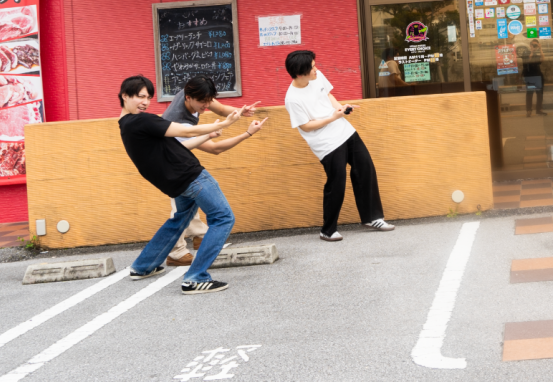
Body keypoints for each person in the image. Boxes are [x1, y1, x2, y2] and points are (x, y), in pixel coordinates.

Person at [117, 75, 252, 294]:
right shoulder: (143, 121)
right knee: (223, 218)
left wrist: (209, 133)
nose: (145, 102)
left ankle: (143, 266)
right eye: (140, 97)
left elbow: (180, 146)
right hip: (191, 175)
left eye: (148, 97)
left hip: (175, 182)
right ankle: (195, 278)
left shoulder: (126, 126)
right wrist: (225, 123)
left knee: (180, 219)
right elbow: (185, 130)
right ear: (125, 96)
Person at [283, 50, 394, 240]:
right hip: (326, 143)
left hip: (345, 131)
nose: (316, 69)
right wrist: (332, 117)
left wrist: (340, 108)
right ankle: (328, 230)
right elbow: (305, 126)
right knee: (337, 182)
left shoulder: (317, 77)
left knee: (365, 168)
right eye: (312, 67)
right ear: (300, 73)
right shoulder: (292, 99)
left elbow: (328, 95)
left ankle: (372, 218)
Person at [161, 76, 263, 267]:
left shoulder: (192, 92)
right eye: (203, 102)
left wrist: (241, 111)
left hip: (180, 155)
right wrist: (248, 133)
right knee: (180, 204)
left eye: (209, 100)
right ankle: (175, 251)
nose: (206, 106)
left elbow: (222, 109)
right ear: (189, 97)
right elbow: (215, 149)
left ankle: (200, 235)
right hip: (167, 161)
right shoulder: (180, 125)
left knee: (189, 197)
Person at [521, 39, 547, 116]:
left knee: (539, 94)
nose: (534, 46)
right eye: (533, 44)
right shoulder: (525, 52)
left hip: (538, 76)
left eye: (536, 45)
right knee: (530, 93)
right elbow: (527, 61)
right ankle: (529, 110)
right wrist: (532, 51)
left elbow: (542, 59)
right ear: (530, 45)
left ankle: (539, 110)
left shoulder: (536, 54)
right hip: (530, 77)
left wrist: (540, 49)